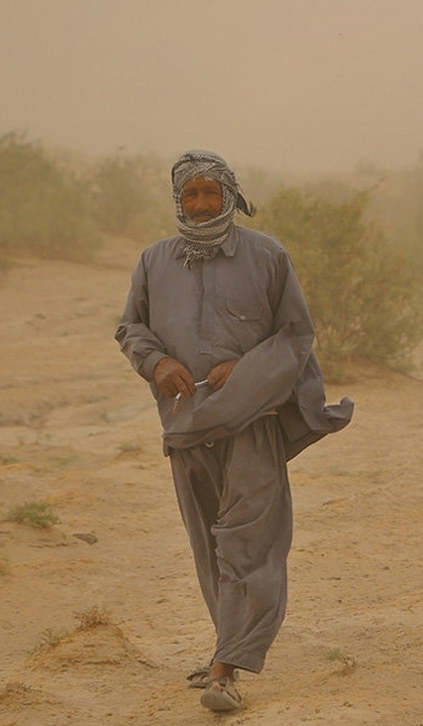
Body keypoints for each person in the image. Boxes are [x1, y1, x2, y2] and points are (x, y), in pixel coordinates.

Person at [115, 149, 353, 712]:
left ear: (230, 194)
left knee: (250, 542)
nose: (201, 205)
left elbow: (296, 336)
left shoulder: (267, 255)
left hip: (253, 419)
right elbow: (131, 328)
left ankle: (226, 669)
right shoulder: (154, 261)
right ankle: (227, 644)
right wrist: (157, 364)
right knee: (208, 542)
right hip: (186, 424)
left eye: (211, 192)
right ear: (179, 200)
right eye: (190, 194)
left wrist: (245, 371)